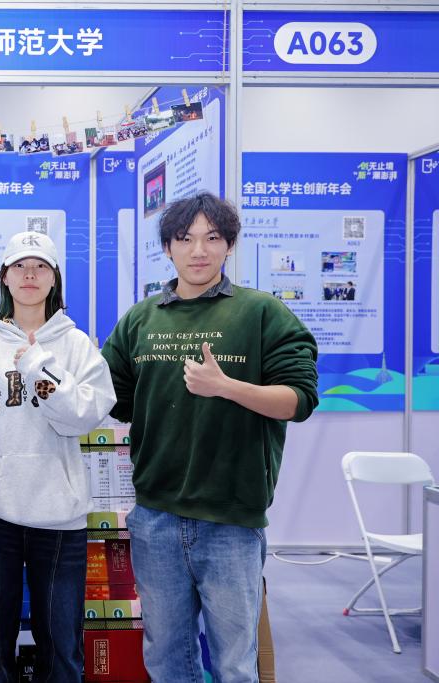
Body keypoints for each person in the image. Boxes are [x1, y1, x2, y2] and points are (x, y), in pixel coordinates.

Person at [100, 192, 319, 683]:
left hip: (231, 518)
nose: (198, 250)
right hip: (156, 515)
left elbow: (299, 400)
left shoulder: (262, 313)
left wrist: (226, 387)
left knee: (234, 663)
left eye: (212, 238)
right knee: (166, 656)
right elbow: (112, 398)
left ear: (229, 245)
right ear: (168, 247)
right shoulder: (140, 319)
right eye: (185, 238)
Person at [0, 231, 116, 682]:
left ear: (54, 278)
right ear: (4, 277)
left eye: (40, 266)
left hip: (60, 517)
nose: (30, 275)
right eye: (20, 266)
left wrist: (38, 365)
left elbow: (82, 417)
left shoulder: (77, 345)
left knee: (62, 646)